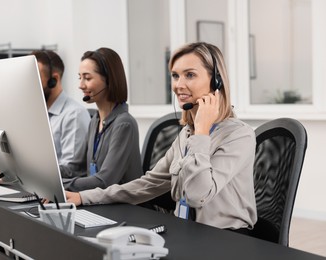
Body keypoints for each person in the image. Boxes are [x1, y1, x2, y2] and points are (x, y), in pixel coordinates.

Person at [66, 42, 257, 232]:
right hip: (187, 232)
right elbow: (149, 183)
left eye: (190, 75)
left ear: (216, 81)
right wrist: (84, 197)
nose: (178, 85)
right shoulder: (186, 134)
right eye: (175, 76)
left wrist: (201, 133)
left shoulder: (239, 135)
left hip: (225, 240)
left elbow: (196, 195)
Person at [60, 47, 143, 191]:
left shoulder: (124, 124)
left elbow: (105, 181)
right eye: (80, 78)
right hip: (97, 201)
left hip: (123, 208)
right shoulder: (95, 120)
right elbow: (77, 168)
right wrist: (47, 175)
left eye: (87, 78)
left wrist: (60, 185)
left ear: (109, 80)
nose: (81, 85)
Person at [31, 50, 90, 169]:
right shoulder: (35, 114)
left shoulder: (74, 115)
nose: (30, 84)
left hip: (61, 186)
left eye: (35, 78)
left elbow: (70, 169)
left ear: (54, 80)